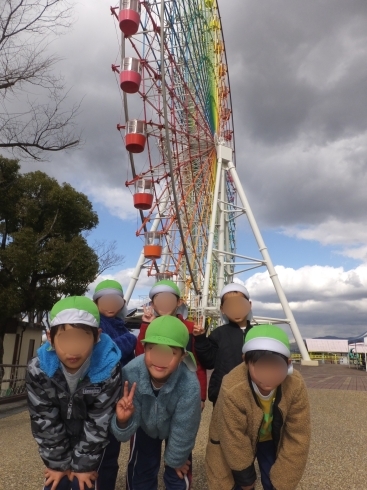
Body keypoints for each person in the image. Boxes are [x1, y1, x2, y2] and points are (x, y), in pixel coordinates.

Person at [26, 296, 122, 490]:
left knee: (84, 481)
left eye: (82, 337)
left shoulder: (108, 369)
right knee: (56, 481)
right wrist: (57, 463)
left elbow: (99, 420)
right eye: (66, 338)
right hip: (58, 433)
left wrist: (83, 465)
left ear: (96, 337)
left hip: (94, 438)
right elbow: (44, 418)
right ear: (50, 337)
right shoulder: (39, 369)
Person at [205, 324, 311, 490]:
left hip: (271, 437)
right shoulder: (232, 386)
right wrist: (246, 478)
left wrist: (285, 480)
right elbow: (233, 436)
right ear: (245, 362)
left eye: (275, 366)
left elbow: (298, 434)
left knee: (277, 482)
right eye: (260, 365)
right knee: (235, 482)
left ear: (288, 364)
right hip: (235, 439)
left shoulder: (295, 386)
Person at [111, 315, 201, 490]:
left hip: (175, 427)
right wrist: (122, 421)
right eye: (154, 350)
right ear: (144, 349)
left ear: (182, 356)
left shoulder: (189, 384)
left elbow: (185, 428)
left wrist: (175, 459)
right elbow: (123, 435)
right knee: (141, 470)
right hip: (145, 426)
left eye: (170, 352)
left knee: (177, 472)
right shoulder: (131, 374)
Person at [93, 279, 137, 489]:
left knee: (110, 454)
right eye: (105, 299)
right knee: (94, 453)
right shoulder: (93, 325)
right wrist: (131, 340)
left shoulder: (121, 326)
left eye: (115, 299)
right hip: (96, 399)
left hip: (118, 398)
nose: (110, 304)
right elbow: (104, 355)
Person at [136, 279, 207, 407]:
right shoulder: (149, 327)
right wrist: (146, 326)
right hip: (153, 387)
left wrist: (201, 396)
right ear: (152, 304)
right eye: (159, 299)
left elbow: (198, 364)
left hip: (183, 388)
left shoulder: (191, 328)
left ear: (179, 302)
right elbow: (140, 356)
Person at [193, 283, 253, 405]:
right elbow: (209, 362)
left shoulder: (258, 334)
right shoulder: (218, 334)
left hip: (254, 393)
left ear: (249, 305)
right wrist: (200, 339)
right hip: (223, 394)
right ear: (223, 309)